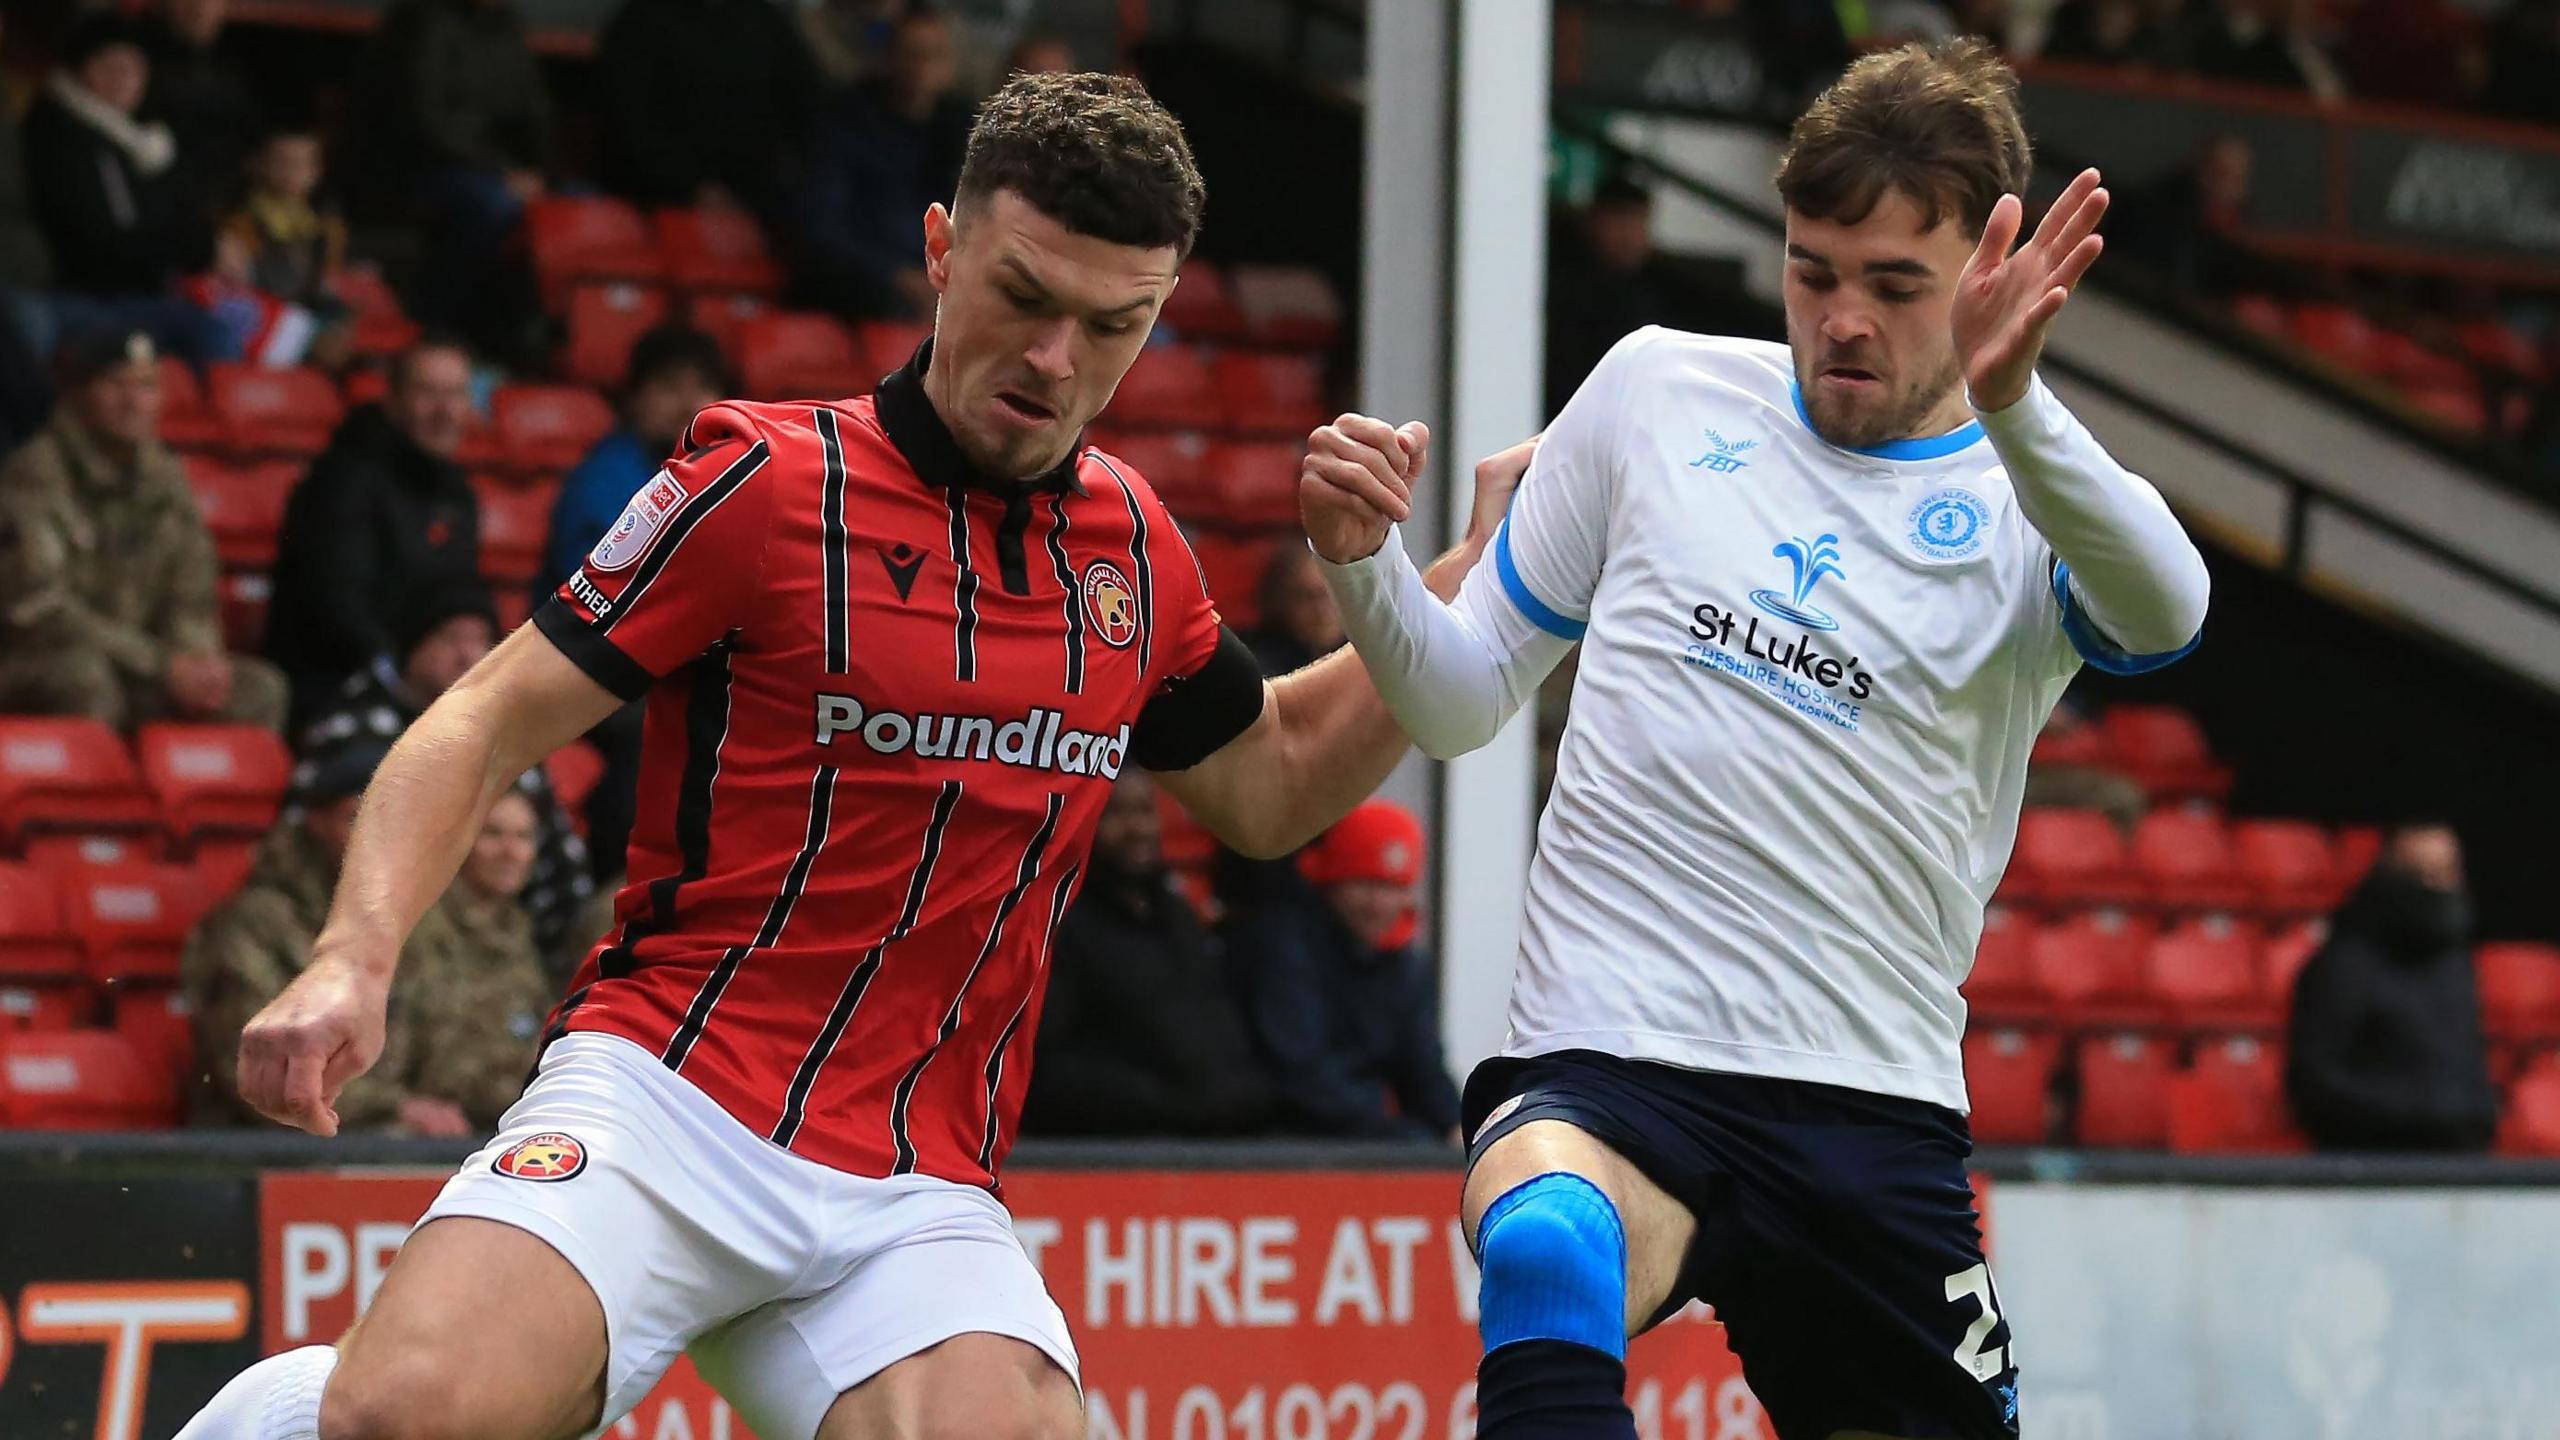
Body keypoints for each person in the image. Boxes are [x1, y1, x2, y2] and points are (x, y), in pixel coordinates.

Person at [174, 72, 1531, 1440]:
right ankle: (281, 1418)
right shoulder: (761, 484)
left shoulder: (1134, 553)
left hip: (920, 1188)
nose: (1056, 360)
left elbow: (1274, 780)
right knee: (404, 1421)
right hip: (668, 1099)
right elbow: (480, 719)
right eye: (1024, 298)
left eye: (1112, 325)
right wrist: (355, 953)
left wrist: (1464, 615)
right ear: (941, 251)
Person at [1307, 40, 2209, 1440]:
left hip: (1870, 1102)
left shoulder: (2036, 491)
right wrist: (1365, 569)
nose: (1840, 318)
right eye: (1812, 271)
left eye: (1895, 286)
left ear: (1986, 271)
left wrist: (2016, 399)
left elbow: (2172, 605)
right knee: (1548, 1238)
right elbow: (1460, 698)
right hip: (1614, 1056)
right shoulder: (1656, 393)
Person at [296, 579, 596, 977]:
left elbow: (561, 878)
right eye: (450, 639)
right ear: (413, 646)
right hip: (394, 951)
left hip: (508, 955)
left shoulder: (510, 734)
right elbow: (308, 852)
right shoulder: (352, 728)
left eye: (482, 640)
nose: (467, 655)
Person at [182, 738, 473, 1137]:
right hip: (278, 1144)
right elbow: (256, 1067)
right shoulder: (256, 922)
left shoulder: (425, 917)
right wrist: (399, 1108)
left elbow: (459, 1034)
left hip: (416, 1135)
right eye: (358, 818)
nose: (379, 838)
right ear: (317, 822)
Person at [0, 328, 288, 731]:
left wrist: (196, 664)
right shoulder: (35, 474)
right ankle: (90, 795)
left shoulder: (165, 477)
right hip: (45, 661)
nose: (133, 402)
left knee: (259, 689)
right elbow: (39, 609)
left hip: (143, 667)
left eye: (147, 386)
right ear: (78, 393)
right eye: (116, 384)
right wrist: (162, 665)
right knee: (85, 680)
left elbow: (192, 592)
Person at [1020, 772, 1274, 1138]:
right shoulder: (1060, 924)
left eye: (1144, 811)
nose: (1137, 827)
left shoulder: (1175, 913)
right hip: (1117, 1156)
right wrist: (1174, 1103)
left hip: (1223, 1143)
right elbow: (1051, 1067)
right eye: (1116, 814)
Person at [263, 335, 481, 721]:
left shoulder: (458, 492)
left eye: (456, 394)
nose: (444, 411)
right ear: (393, 401)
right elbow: (339, 610)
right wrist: (404, 671)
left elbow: (461, 597)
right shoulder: (342, 480)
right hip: (335, 684)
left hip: (425, 681)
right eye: (428, 393)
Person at [1230, 798, 1460, 1142]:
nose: (1378, 905)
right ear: (1329, 879)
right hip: (1281, 1142)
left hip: (1366, 1134)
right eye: (1365, 884)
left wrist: (1456, 1126)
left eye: (1393, 888)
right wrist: (1395, 1128)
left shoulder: (1404, 964)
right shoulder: (1284, 947)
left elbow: (1424, 1067)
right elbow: (1299, 1074)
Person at [346, 0, 554, 351]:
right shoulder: (420, 23)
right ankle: (442, 326)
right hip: (419, 171)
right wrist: (503, 170)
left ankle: (544, 339)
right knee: (495, 206)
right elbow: (425, 121)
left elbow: (535, 112)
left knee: (584, 205)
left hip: (497, 169)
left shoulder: (506, 27)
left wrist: (543, 173)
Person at [2286, 823, 2499, 1153]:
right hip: (2371, 1173)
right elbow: (2314, 1084)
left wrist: (2476, 1111)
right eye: (2422, 876)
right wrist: (2417, 1115)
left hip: (2462, 1167)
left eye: (2447, 874)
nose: (2439, 888)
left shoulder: (2453, 967)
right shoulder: (2342, 968)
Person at [19, 15, 212, 304]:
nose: (124, 81)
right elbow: (94, 240)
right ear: (84, 70)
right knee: (212, 333)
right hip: (84, 294)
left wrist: (205, 247)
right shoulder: (57, 131)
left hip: (146, 286)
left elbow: (180, 213)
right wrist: (192, 251)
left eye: (135, 70)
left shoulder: (145, 138)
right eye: (112, 68)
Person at [797, 8, 971, 321]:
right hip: (862, 288)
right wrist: (896, 276)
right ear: (888, 58)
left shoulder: (960, 133)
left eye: (934, 55)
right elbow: (825, 229)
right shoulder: (845, 123)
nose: (922, 67)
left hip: (936, 282)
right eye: (912, 54)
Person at [402, 788, 558, 1130]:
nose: (510, 852)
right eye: (492, 834)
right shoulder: (418, 930)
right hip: (421, 1133)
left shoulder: (517, 929)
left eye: (523, 837)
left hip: (507, 1120)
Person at [540, 324, 730, 594]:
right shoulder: (600, 479)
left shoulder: (731, 473)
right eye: (671, 387)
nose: (689, 404)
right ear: (635, 396)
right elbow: (602, 593)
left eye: (703, 386)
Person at [593, 0, 817, 218]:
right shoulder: (640, 21)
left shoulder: (764, 19)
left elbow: (806, 105)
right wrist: (693, 187)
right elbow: (631, 123)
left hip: (762, 201)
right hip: (664, 205)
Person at [220, 125, 350, 317]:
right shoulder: (240, 224)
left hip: (310, 314)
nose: (291, 172)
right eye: (281, 162)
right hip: (262, 315)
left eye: (301, 164)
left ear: (317, 171)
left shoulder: (328, 226)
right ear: (259, 165)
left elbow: (330, 283)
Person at [1243, 542, 1344, 678]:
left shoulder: (1371, 656)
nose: (1321, 609)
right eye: (1306, 596)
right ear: (1281, 602)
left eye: (1331, 593)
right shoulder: (1253, 666)